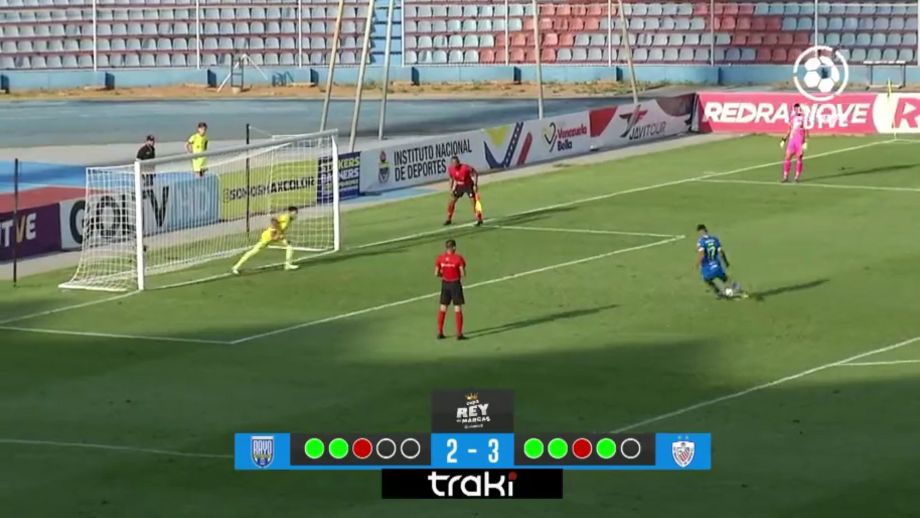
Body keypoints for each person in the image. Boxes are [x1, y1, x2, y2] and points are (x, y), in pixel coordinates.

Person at [232, 206, 300, 274]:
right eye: (294, 213)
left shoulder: (290, 219)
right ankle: (236, 266)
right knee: (254, 251)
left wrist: (280, 235)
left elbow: (280, 227)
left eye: (296, 213)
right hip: (268, 236)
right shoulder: (286, 217)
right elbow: (274, 220)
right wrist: (277, 233)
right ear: (290, 212)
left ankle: (288, 265)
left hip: (276, 236)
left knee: (289, 246)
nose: (295, 214)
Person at [696, 224, 745, 299]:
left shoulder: (701, 241)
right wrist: (726, 262)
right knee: (726, 279)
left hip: (708, 268)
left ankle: (719, 293)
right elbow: (721, 252)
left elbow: (702, 254)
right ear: (706, 230)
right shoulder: (715, 239)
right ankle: (739, 290)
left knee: (706, 280)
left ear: (700, 232)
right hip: (717, 266)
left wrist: (697, 264)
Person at [435, 238, 467, 340]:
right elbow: (463, 273)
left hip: (445, 284)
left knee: (443, 308)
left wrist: (444, 274)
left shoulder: (440, 258)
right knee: (457, 308)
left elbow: (436, 273)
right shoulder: (458, 259)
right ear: (454, 247)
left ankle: (439, 331)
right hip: (455, 284)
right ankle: (459, 333)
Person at [444, 155, 483, 227]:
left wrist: (475, 184)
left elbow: (475, 173)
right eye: (454, 163)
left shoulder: (465, 167)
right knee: (451, 201)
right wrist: (451, 188)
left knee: (473, 202)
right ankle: (449, 218)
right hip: (459, 186)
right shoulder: (451, 169)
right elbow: (451, 178)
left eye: (456, 162)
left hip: (468, 185)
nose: (455, 164)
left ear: (459, 162)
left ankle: (479, 218)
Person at [780, 103, 808, 182]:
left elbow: (806, 130)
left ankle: (796, 177)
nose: (797, 110)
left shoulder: (804, 117)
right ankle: (785, 177)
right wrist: (784, 139)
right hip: (792, 139)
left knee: (799, 157)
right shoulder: (792, 118)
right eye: (796, 109)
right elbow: (789, 129)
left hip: (800, 140)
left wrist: (805, 142)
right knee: (787, 157)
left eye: (798, 108)